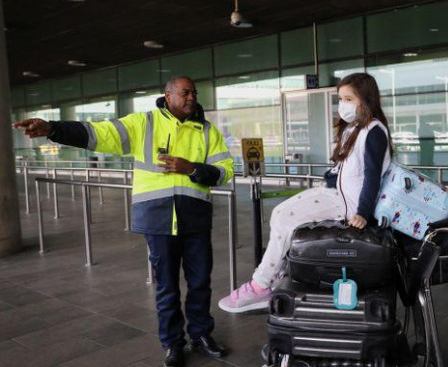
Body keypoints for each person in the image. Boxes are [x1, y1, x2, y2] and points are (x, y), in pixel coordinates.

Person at [14, 77, 234, 367]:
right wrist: (53, 129)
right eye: (185, 92)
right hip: (157, 219)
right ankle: (172, 344)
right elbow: (98, 133)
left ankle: (202, 336)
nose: (191, 97)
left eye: (193, 92)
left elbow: (225, 171)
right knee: (166, 286)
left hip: (195, 219)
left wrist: (192, 168)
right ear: (168, 96)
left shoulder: (207, 131)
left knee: (200, 282)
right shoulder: (144, 123)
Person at [217, 72, 392, 313]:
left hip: (347, 203)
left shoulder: (374, 130)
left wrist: (363, 212)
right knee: (279, 213)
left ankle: (260, 285)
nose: (343, 104)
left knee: (287, 219)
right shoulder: (354, 129)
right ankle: (273, 277)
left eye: (349, 98)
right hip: (335, 194)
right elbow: (346, 168)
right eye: (341, 98)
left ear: (366, 99)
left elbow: (372, 175)